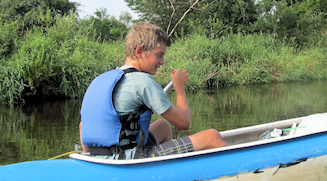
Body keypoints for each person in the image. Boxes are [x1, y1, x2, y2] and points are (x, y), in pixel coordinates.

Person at [79, 22, 227, 159]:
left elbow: (83, 126)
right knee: (212, 137)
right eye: (159, 55)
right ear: (139, 51)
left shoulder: (101, 80)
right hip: (128, 161)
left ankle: (169, 169)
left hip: (99, 157)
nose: (162, 62)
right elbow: (184, 122)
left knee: (163, 127)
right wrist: (179, 87)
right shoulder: (142, 82)